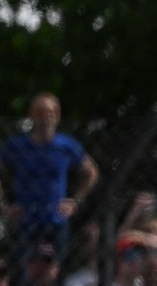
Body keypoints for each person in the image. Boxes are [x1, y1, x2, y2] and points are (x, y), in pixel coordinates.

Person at [1, 93, 98, 269]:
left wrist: (75, 201)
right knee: (20, 270)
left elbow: (91, 172)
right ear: (32, 115)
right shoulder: (17, 146)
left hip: (55, 219)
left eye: (50, 112)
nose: (45, 117)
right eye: (40, 112)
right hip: (25, 219)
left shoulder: (66, 145)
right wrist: (4, 205)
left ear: (57, 115)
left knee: (55, 270)